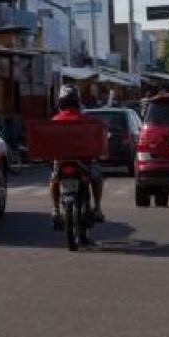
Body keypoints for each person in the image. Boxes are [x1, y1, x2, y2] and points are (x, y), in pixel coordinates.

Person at [49, 84, 105, 230]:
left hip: (61, 162)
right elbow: (96, 142)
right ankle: (97, 208)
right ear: (77, 101)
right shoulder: (86, 120)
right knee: (97, 177)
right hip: (84, 164)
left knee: (54, 179)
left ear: (60, 102)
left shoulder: (54, 121)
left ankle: (55, 210)